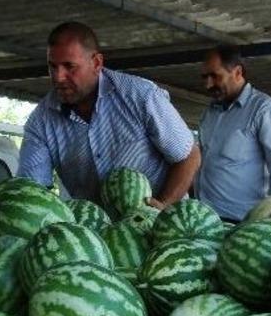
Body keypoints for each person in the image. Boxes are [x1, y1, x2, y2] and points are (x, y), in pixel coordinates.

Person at [17, 22, 201, 208]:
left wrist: (163, 205)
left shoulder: (140, 96)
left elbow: (188, 156)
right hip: (95, 231)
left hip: (158, 225)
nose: (58, 77)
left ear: (96, 63)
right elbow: (32, 191)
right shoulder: (40, 122)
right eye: (52, 67)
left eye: (69, 66)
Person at [195, 45, 271, 222]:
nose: (208, 84)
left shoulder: (266, 110)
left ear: (237, 72)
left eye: (215, 76)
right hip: (205, 219)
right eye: (204, 77)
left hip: (244, 221)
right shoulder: (209, 113)